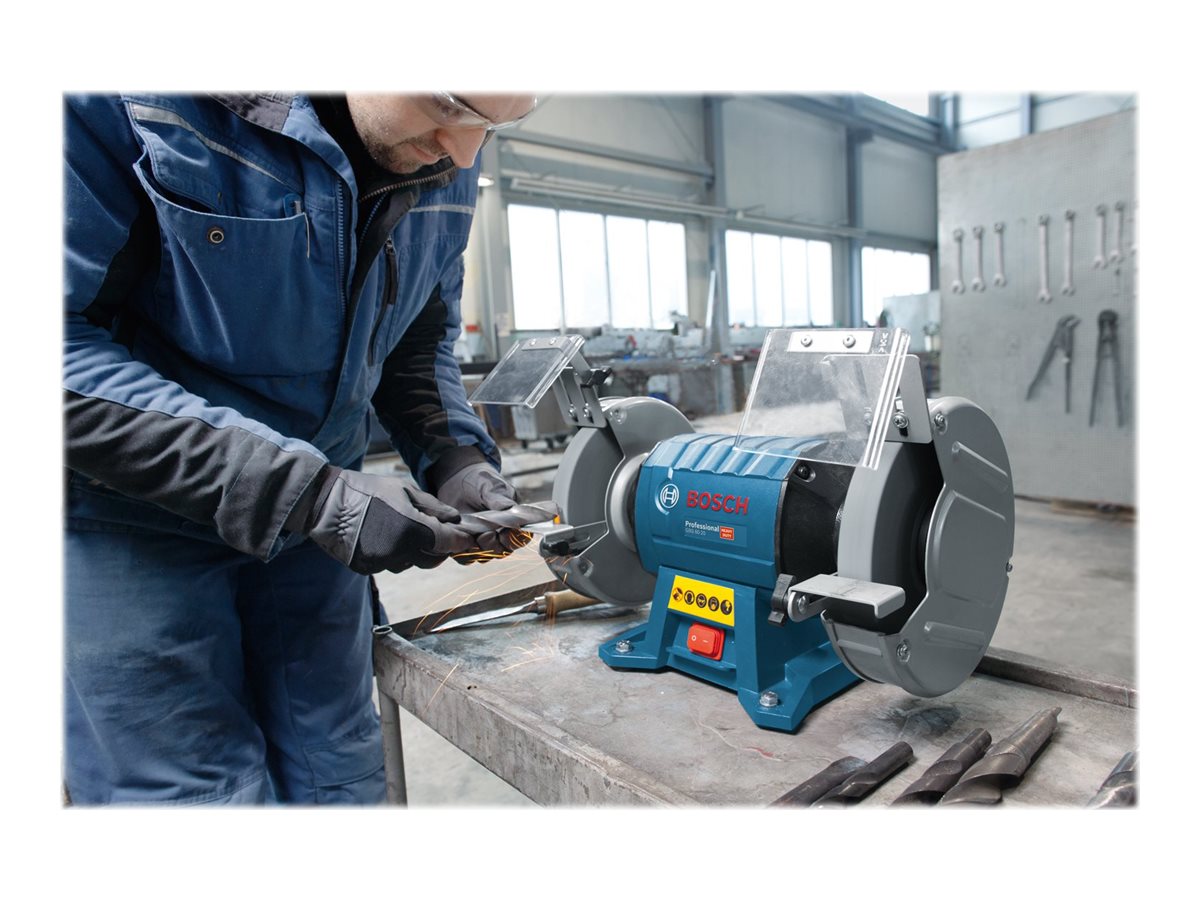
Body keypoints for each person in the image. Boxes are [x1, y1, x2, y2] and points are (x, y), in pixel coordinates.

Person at [63, 92, 543, 805]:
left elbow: (415, 335)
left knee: (336, 769)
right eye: (449, 103)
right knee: (191, 799)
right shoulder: (117, 98)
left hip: (317, 539)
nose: (467, 151)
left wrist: (455, 458)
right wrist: (305, 493)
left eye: (494, 125)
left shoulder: (449, 149)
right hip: (133, 523)